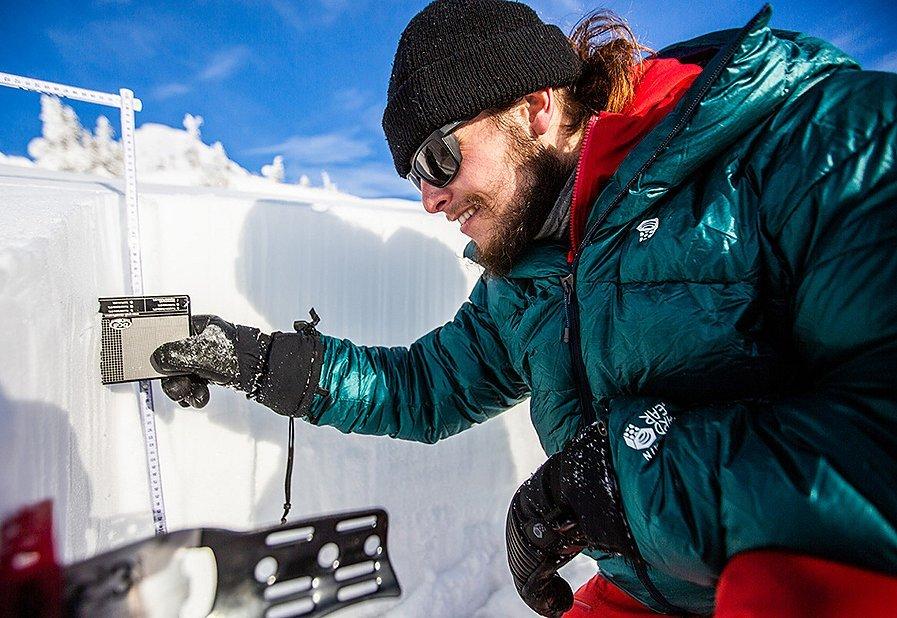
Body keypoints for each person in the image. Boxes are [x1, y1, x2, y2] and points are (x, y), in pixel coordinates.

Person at [151, 1, 897, 615]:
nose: (429, 198)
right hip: (657, 590)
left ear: (535, 107)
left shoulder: (822, 146)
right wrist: (249, 358)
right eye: (413, 176)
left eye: (438, 158)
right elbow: (424, 386)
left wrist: (622, 481)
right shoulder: (529, 277)